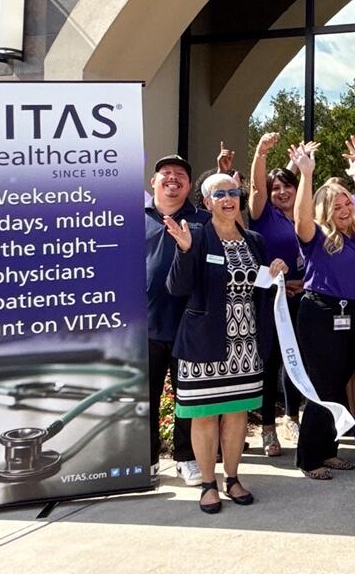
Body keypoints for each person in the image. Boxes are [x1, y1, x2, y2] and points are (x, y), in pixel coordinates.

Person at [164, 173, 288, 513]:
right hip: (204, 345)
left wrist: (273, 273)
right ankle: (207, 483)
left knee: (235, 415)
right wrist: (185, 252)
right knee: (204, 416)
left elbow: (258, 288)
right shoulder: (198, 237)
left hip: (245, 345)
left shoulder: (255, 240)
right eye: (219, 194)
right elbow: (177, 288)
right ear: (207, 203)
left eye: (233, 192)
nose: (228, 198)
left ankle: (232, 478)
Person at [291, 141, 355, 480]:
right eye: (336, 204)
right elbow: (301, 217)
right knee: (321, 387)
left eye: (346, 202)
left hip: (354, 315)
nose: (344, 208)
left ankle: (328, 450)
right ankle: (309, 458)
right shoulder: (317, 236)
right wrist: (306, 174)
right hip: (320, 316)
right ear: (325, 208)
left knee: (338, 386)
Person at [145, 154, 206, 485]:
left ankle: (186, 457)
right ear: (152, 182)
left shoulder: (203, 220)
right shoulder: (131, 218)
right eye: (165, 173)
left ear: (188, 185)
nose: (172, 178)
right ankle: (148, 458)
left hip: (189, 325)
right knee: (146, 397)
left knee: (189, 398)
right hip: (147, 326)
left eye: (180, 174)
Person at [247, 132, 305, 457]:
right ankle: (268, 428)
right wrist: (261, 153)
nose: (282, 192)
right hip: (271, 299)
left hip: (303, 297)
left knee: (298, 361)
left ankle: (291, 417)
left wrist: (305, 283)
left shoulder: (303, 215)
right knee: (271, 362)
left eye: (287, 186)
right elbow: (256, 187)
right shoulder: (263, 215)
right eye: (276, 188)